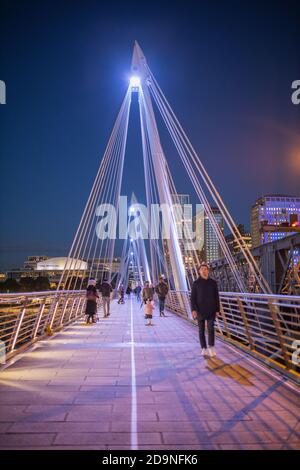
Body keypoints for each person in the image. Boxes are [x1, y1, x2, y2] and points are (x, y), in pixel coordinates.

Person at [191, 262, 220, 357]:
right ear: (199, 271)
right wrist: (193, 310)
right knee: (201, 330)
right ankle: (203, 348)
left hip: (211, 309)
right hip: (199, 310)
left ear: (208, 271)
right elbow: (193, 298)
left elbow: (216, 297)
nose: (204, 271)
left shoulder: (213, 283)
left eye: (206, 269)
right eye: (202, 269)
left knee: (211, 329)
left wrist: (217, 309)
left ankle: (211, 347)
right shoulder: (196, 283)